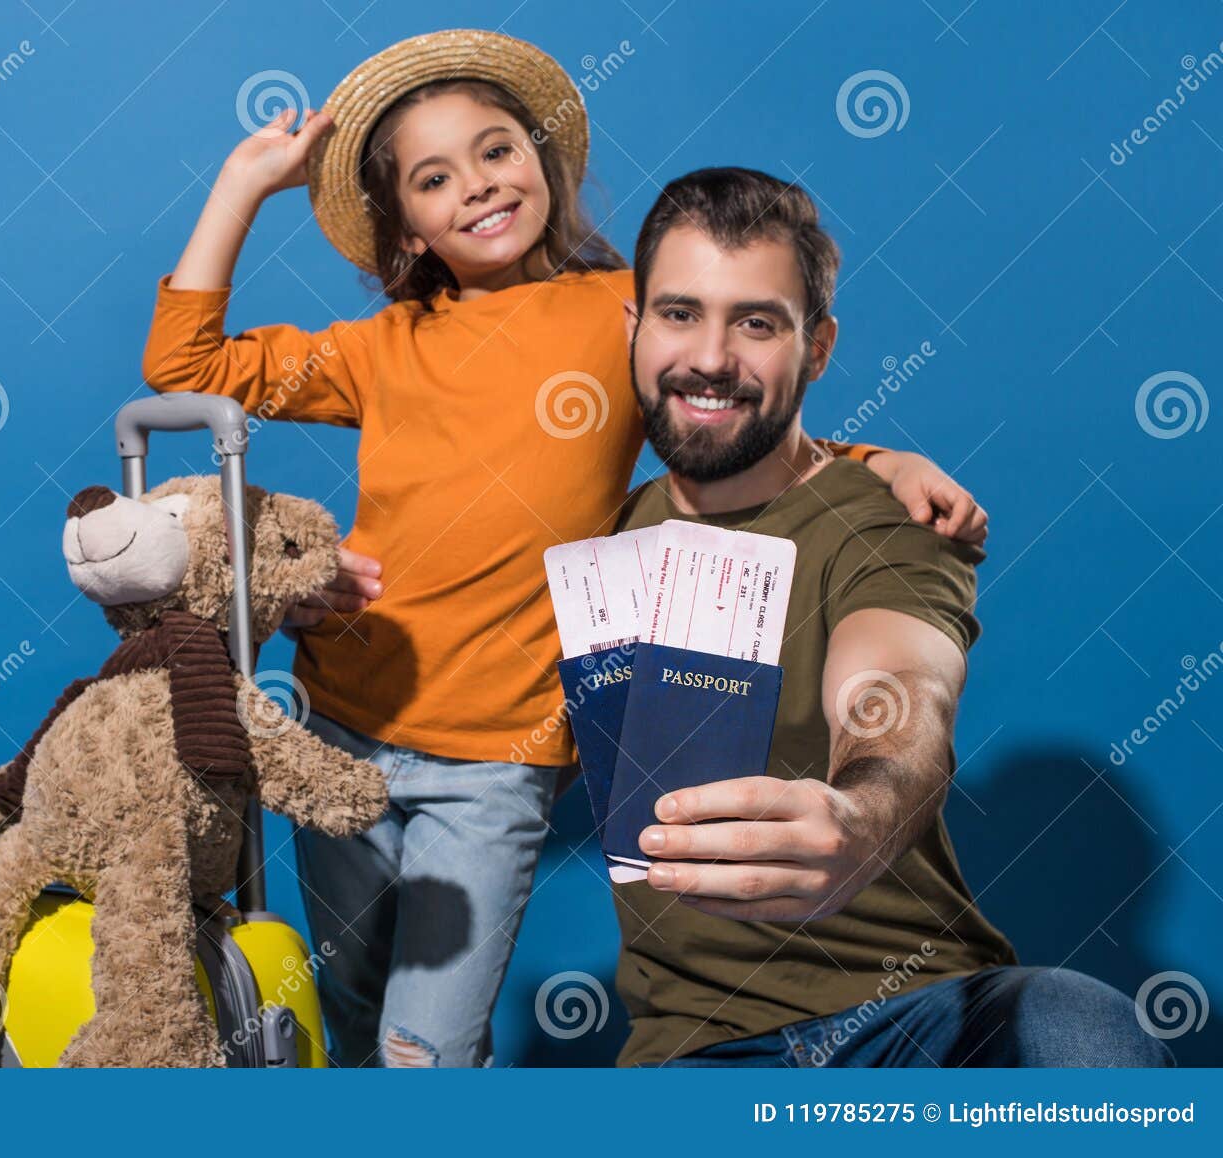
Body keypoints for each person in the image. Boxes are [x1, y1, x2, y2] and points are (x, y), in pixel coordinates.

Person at [143, 30, 986, 1068]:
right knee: (346, 1016)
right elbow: (185, 366)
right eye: (434, 177)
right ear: (401, 224)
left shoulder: (616, 312)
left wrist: (887, 458)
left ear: (547, 159)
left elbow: (725, 402)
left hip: (497, 762)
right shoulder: (380, 348)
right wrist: (242, 185)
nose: (478, 187)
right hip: (342, 725)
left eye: (497, 150)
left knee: (426, 1049)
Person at [609, 166, 1171, 1068]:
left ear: (819, 346)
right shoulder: (597, 538)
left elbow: (900, 691)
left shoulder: (890, 520)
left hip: (919, 1017)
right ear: (634, 328)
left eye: (757, 323)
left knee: (1080, 1023)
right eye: (680, 313)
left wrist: (862, 816)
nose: (711, 357)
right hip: (694, 1056)